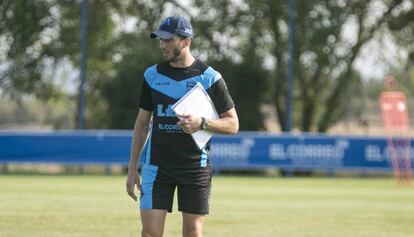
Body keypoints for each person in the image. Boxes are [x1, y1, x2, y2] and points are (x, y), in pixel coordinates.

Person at [125, 15, 239, 237]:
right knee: (150, 233)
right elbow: (141, 124)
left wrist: (202, 123)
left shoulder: (209, 77)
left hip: (195, 168)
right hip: (157, 166)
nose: (162, 45)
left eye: (167, 40)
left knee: (193, 233)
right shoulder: (152, 76)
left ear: (186, 41)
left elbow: (233, 124)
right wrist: (132, 169)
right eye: (160, 40)